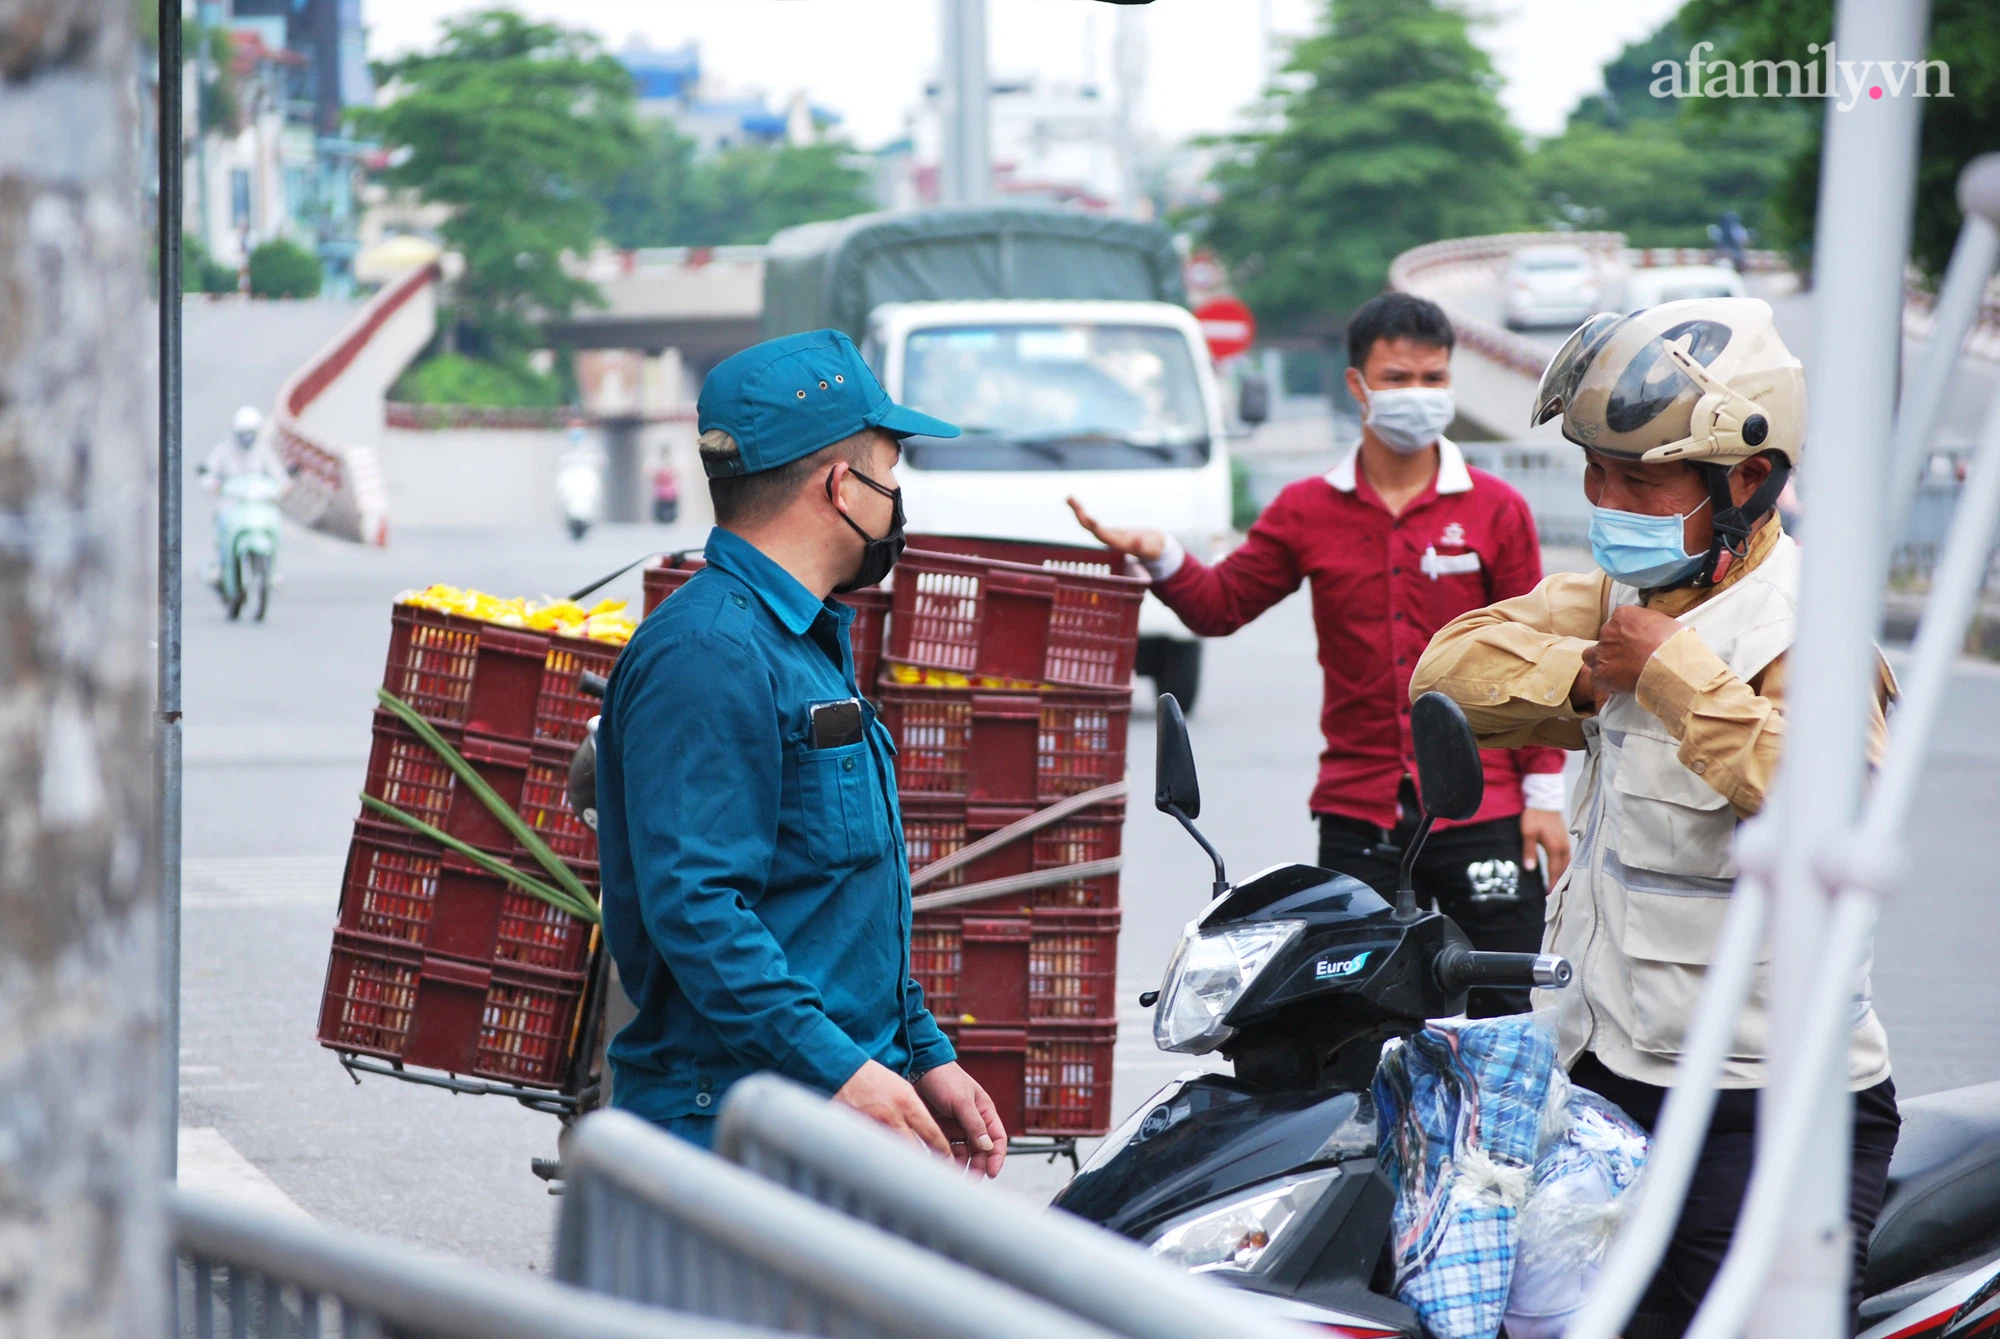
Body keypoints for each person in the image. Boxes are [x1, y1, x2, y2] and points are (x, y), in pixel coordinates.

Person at [1411, 298, 1899, 1336]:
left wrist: (1673, 679)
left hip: (1766, 1110)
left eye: (1638, 479)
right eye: (1594, 471)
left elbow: (1834, 802)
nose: (1604, 499)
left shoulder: (1805, 627)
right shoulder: (1623, 597)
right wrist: (1591, 682)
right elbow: (1444, 670)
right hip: (1606, 1080)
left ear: (1746, 482)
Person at [1069, 292, 1569, 1016]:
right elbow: (1220, 605)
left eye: (1435, 379)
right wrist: (1162, 555)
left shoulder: (1494, 509)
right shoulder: (1307, 508)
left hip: (1485, 806)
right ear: (1357, 385)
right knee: (1355, 1022)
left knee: (1500, 1019)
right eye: (1398, 379)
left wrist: (1543, 796)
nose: (1419, 396)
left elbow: (1537, 659)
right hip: (1358, 809)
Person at [593, 328, 1008, 1172]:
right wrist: (844, 1069)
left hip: (812, 1112)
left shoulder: (800, 637)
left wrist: (923, 1052)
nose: (897, 497)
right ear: (838, 485)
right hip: (739, 1131)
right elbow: (700, 910)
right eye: (890, 472)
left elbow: (828, 900)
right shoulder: (709, 653)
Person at [198, 405, 285, 585]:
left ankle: (271, 568)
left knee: (274, 523)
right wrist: (212, 485)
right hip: (232, 503)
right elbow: (209, 473)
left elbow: (280, 476)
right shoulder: (224, 451)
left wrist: (282, 488)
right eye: (244, 433)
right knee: (221, 526)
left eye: (251, 433)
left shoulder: (264, 451)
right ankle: (221, 565)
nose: (247, 437)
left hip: (257, 504)